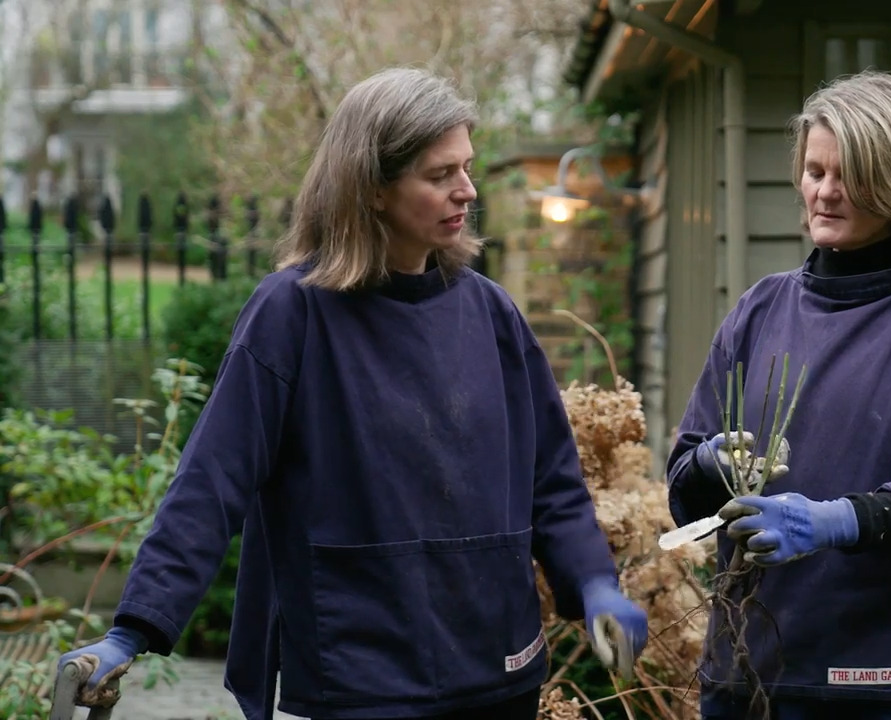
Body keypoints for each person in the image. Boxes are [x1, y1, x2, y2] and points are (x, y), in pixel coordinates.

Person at [56, 67, 647, 720]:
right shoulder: (292, 315)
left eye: (466, 167)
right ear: (371, 189)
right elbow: (212, 480)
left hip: (496, 670)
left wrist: (594, 583)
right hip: (356, 675)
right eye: (439, 174)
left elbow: (554, 484)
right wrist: (133, 628)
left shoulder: (492, 316)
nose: (467, 190)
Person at [665, 70, 891, 720]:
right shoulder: (760, 309)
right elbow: (684, 482)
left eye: (847, 175)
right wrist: (707, 465)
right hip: (756, 678)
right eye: (814, 171)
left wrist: (830, 521)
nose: (824, 192)